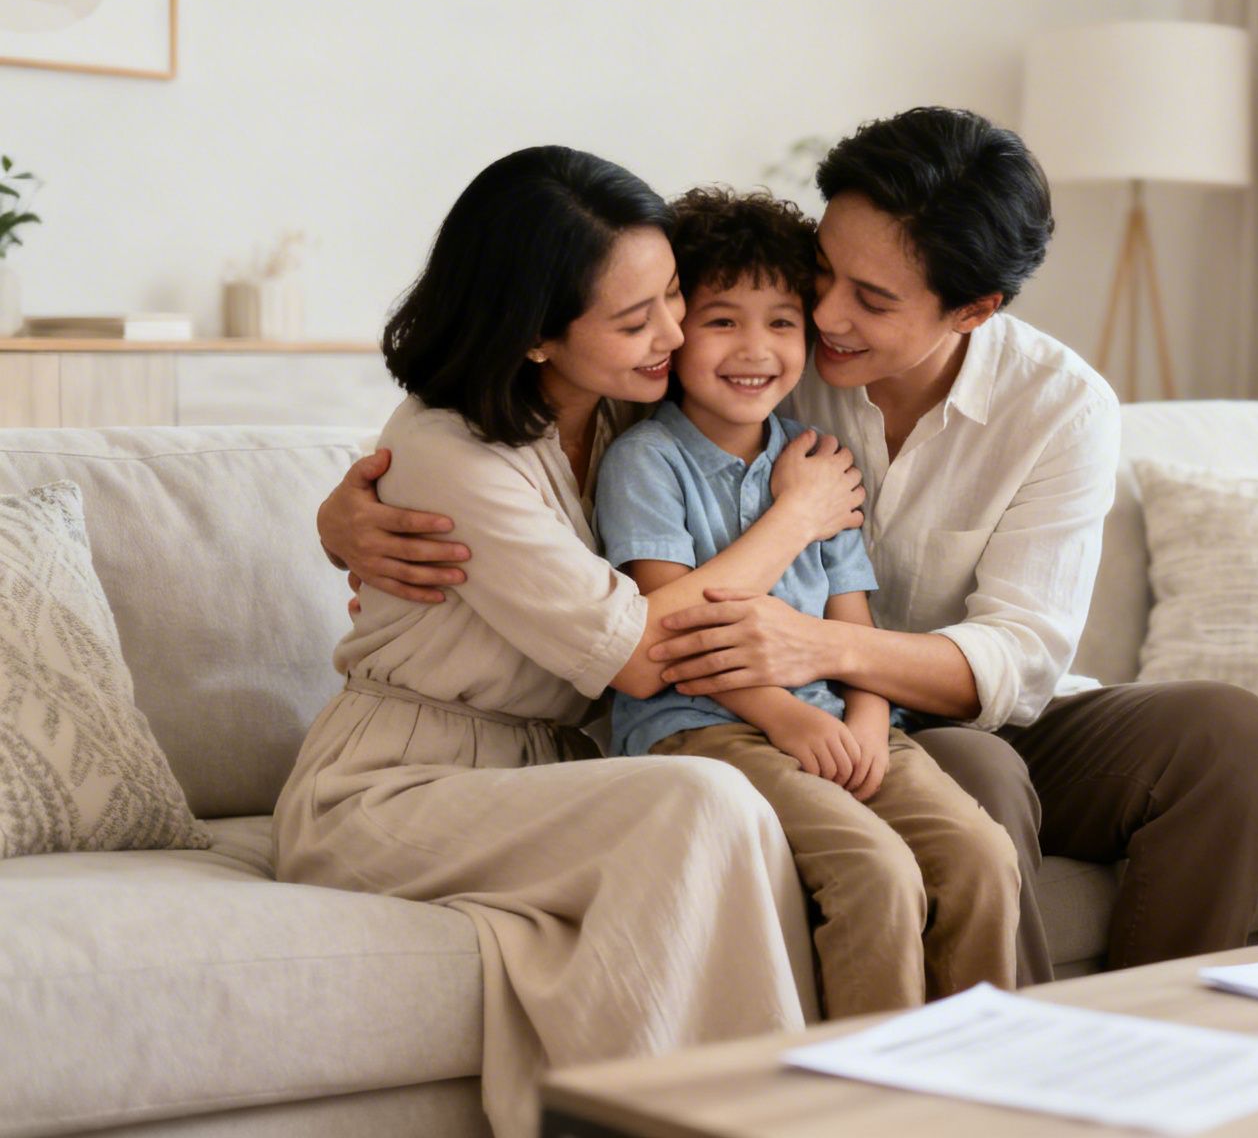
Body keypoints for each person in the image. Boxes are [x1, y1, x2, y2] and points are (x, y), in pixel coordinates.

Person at [318, 108, 1258, 985]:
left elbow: (1023, 656)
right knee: (973, 788)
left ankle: (1157, 1049)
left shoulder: (1059, 404)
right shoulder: (738, 365)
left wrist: (826, 652)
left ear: (972, 310)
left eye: (869, 299)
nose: (821, 319)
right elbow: (520, 397)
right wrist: (348, 513)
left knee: (1224, 731)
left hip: (925, 695)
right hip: (756, 707)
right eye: (821, 274)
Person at [275, 146, 866, 1137]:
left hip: (545, 772)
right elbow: (638, 652)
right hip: (387, 790)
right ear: (537, 335)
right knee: (699, 799)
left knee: (743, 811)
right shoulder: (447, 449)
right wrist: (794, 520)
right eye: (636, 321)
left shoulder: (631, 417)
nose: (673, 334)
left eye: (673, 299)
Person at [594, 186, 1017, 1016]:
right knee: (876, 873)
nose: (755, 348)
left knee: (982, 858)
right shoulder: (646, 463)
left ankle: (979, 1091)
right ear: (677, 330)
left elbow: (852, 623)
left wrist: (864, 722)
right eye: (722, 320)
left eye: (782, 322)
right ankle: (859, 1105)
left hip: (841, 721)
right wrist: (788, 721)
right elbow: (667, 632)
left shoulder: (819, 458)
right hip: (704, 728)